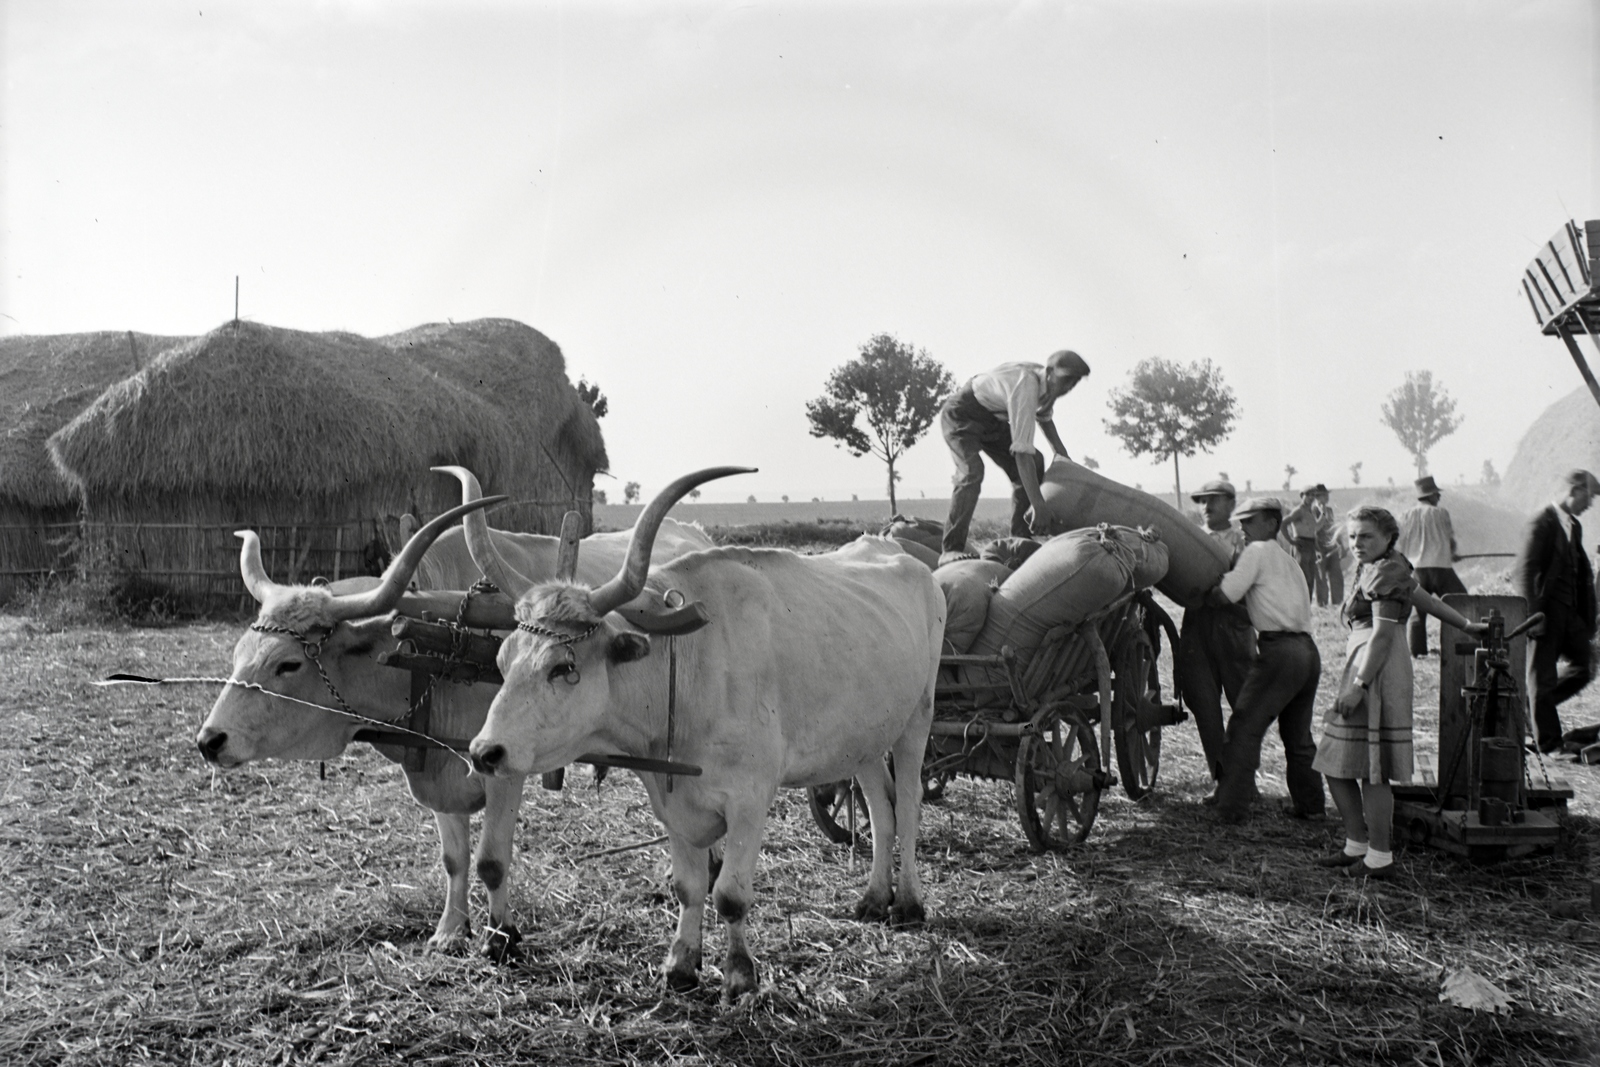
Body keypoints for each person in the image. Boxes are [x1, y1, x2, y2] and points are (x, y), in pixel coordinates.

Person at [1314, 506, 1485, 879]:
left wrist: (1359, 686)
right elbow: (1426, 599)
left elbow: (1381, 634)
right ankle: (1358, 845)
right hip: (1368, 662)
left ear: (1389, 538)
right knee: (1341, 761)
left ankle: (1379, 856)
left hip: (1377, 666)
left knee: (1371, 769)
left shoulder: (1388, 570)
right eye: (1354, 536)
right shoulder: (1384, 565)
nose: (1358, 543)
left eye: (1367, 536)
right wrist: (1467, 624)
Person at [1202, 497, 1324, 822]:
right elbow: (1267, 604)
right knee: (1298, 738)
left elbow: (1225, 595)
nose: (1242, 527)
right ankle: (1311, 807)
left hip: (1279, 652)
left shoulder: (1256, 552)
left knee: (1244, 729)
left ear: (1271, 524)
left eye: (1249, 521)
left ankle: (1230, 809)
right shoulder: (1289, 561)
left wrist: (1208, 591)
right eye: (1241, 521)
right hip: (1307, 652)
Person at [939, 350, 1090, 554]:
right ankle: (951, 549)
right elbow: (1021, 452)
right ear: (1050, 372)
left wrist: (1064, 460)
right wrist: (1039, 505)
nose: (1069, 387)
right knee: (972, 472)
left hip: (993, 420)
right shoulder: (1027, 385)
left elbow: (1044, 416)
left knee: (1036, 461)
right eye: (1066, 380)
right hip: (962, 414)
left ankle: (1019, 541)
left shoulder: (1047, 387)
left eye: (1074, 382)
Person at [1513, 469, 1599, 753]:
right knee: (1542, 676)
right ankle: (1549, 745)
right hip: (1544, 614)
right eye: (1589, 496)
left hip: (1569, 614)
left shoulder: (1573, 525)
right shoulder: (1542, 521)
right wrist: (1532, 615)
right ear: (1574, 491)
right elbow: (1525, 570)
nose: (1591, 504)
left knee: (1585, 666)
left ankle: (1531, 704)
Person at [1178, 480, 1254, 789]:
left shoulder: (1245, 540)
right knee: (1205, 708)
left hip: (1235, 626)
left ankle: (1246, 784)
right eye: (1202, 501)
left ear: (1232, 504)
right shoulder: (1192, 539)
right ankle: (1223, 783)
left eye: (1215, 500)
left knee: (1243, 708)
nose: (1207, 506)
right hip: (1197, 625)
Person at [1396, 475, 1467, 656]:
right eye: (1437, 494)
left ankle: (1417, 652)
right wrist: (1453, 554)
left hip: (1416, 569)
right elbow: (1450, 539)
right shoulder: (1441, 513)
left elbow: (1401, 543)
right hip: (1441, 567)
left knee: (1417, 611)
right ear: (1431, 495)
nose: (1439, 498)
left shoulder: (1406, 515)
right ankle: (1459, 644)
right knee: (1461, 603)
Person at [1283, 487, 1322, 602]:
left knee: (1310, 579)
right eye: (1308, 494)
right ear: (1302, 496)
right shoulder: (1299, 510)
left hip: (1310, 546)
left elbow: (1313, 529)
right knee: (1302, 578)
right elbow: (1284, 523)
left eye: (1313, 495)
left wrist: (1316, 547)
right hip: (1301, 545)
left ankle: (1307, 608)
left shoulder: (1311, 512)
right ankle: (1298, 607)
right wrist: (1291, 540)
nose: (1311, 497)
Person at [1314, 485, 1346, 607]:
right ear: (1317, 497)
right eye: (1324, 495)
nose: (1327, 497)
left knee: (1336, 575)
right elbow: (1314, 530)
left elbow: (1334, 529)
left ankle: (1337, 603)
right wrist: (1316, 549)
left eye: (1327, 494)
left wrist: (1341, 545)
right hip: (1319, 547)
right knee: (1321, 578)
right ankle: (1322, 604)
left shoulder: (1330, 510)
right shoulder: (1313, 511)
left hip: (1332, 547)